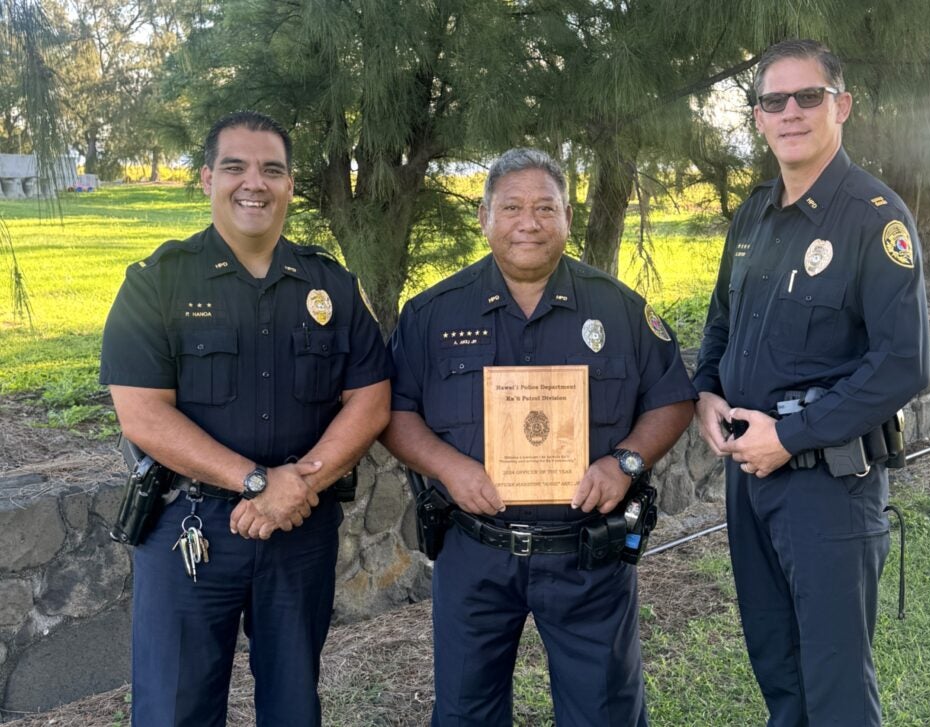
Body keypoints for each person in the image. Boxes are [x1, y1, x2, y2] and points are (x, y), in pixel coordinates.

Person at [380, 147, 696, 726]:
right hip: (475, 552)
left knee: (605, 714)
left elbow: (672, 397)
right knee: (466, 713)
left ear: (568, 218)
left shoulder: (619, 309)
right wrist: (450, 468)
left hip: (586, 556)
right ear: (485, 216)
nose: (529, 223)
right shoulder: (431, 313)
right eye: (513, 208)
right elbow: (396, 413)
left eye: (546, 208)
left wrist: (624, 462)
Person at [99, 110, 391, 727]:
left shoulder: (330, 285)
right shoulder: (158, 283)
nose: (253, 182)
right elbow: (143, 415)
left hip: (298, 533)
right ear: (207, 178)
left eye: (272, 170)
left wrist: (299, 484)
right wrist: (259, 483)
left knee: (292, 706)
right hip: (188, 528)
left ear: (290, 185)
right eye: (234, 167)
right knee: (173, 708)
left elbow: (371, 397)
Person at [692, 40, 930, 726]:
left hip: (828, 490)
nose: (790, 112)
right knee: (779, 672)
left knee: (835, 690)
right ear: (760, 118)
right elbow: (720, 322)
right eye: (774, 100)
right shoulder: (753, 216)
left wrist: (789, 435)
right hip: (751, 482)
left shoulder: (874, 217)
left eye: (809, 96)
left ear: (842, 106)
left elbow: (902, 362)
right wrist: (707, 391)